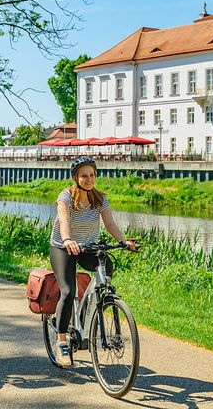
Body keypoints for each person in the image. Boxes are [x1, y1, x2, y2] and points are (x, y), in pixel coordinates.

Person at [50, 155, 135, 367]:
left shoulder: (100, 199)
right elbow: (63, 220)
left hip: (87, 247)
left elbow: (109, 223)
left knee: (107, 266)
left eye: (92, 175)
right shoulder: (66, 196)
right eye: (84, 176)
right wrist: (68, 239)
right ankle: (61, 342)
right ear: (76, 177)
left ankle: (93, 306)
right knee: (68, 292)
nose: (89, 179)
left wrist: (124, 241)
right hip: (63, 247)